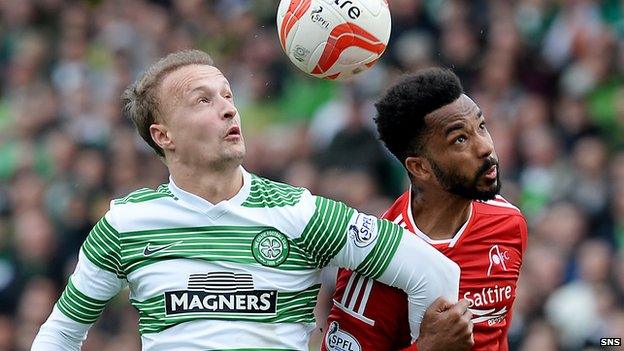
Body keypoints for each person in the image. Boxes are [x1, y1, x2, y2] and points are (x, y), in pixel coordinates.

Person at [31, 50, 466, 351]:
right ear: (163, 136)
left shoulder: (301, 213)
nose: (228, 109)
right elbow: (62, 334)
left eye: (227, 96)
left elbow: (433, 271)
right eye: (203, 100)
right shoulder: (126, 225)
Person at [322, 68, 528, 351]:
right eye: (460, 139)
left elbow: (496, 339)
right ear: (420, 167)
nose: (485, 148)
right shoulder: (375, 260)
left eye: (481, 126)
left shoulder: (508, 222)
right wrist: (428, 347)